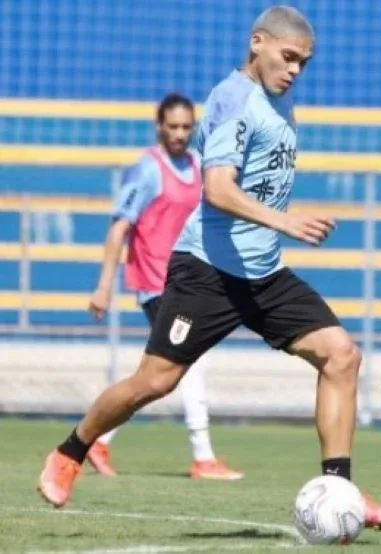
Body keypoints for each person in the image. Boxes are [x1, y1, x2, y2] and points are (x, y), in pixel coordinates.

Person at [37, 6, 381, 530]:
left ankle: (342, 493)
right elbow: (217, 189)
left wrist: (276, 231)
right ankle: (70, 453)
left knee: (341, 356)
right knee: (154, 383)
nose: (296, 69)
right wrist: (285, 221)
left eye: (304, 62)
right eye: (288, 56)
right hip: (207, 272)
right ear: (257, 43)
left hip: (263, 274)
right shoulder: (232, 100)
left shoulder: (280, 97)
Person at [86, 93, 243, 482]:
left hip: (189, 281)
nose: (179, 134)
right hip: (156, 283)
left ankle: (98, 438)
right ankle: (203, 457)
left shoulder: (196, 166)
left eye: (187, 127)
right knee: (188, 363)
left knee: (159, 372)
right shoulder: (147, 169)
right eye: (172, 126)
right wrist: (104, 286)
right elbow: (119, 226)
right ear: (159, 126)